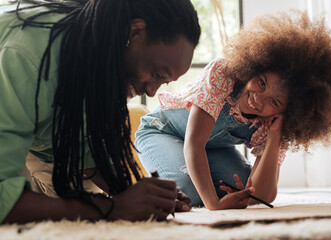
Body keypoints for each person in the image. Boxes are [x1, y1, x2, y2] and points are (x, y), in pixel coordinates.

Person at [0, 0, 206, 224]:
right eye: (157, 73)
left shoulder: (97, 61)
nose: (152, 91)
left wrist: (138, 195)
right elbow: (4, 200)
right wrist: (113, 207)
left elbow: (88, 150)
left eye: (165, 82)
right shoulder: (27, 57)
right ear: (134, 32)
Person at [135, 10, 331, 210]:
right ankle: (147, 175)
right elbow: (194, 142)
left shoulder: (274, 122)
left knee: (242, 187)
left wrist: (276, 135)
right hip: (163, 131)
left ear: (290, 111)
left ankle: (186, 174)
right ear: (254, 66)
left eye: (275, 102)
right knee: (190, 192)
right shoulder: (223, 74)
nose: (259, 99)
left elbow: (263, 195)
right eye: (261, 82)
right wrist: (214, 204)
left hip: (209, 148)